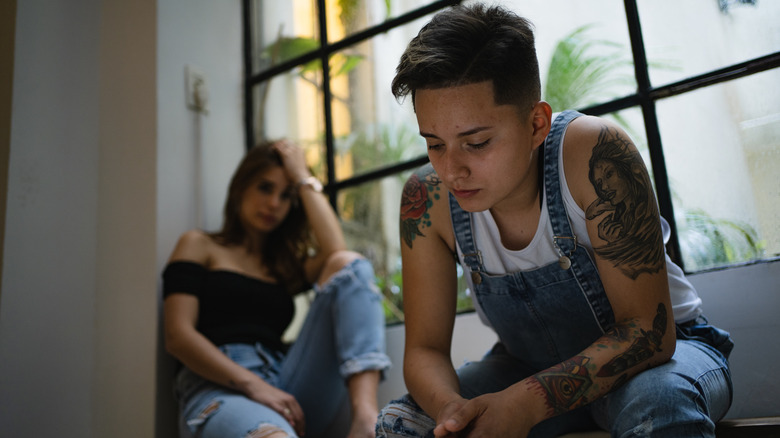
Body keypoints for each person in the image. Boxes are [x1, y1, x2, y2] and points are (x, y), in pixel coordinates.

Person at [377, 4, 733, 438]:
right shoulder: (426, 199)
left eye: (477, 142)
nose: (452, 170)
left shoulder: (592, 154)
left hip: (663, 356)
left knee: (658, 404)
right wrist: (453, 413)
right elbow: (425, 351)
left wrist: (526, 403)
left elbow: (650, 333)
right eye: (435, 144)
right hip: (525, 366)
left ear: (536, 124)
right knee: (406, 424)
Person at [163, 139, 391, 438]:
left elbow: (337, 253)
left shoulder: (283, 268)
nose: (274, 204)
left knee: (350, 264)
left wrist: (303, 178)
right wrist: (253, 385)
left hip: (286, 383)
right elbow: (177, 336)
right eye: (264, 188)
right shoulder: (199, 245)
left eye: (286, 196)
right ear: (241, 186)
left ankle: (365, 419)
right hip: (219, 387)